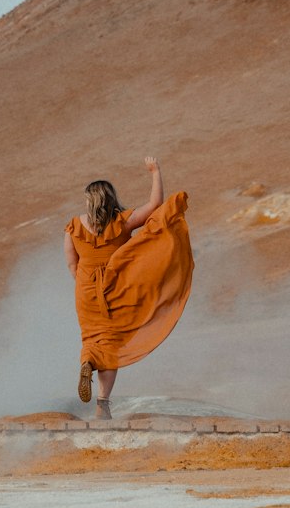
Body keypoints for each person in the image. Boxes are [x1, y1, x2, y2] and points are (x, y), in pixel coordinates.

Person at [63, 158, 194, 419]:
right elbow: (155, 205)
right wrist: (155, 172)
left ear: (89, 201)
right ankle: (102, 404)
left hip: (86, 291)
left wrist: (84, 284)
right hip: (116, 290)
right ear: (110, 199)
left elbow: (71, 262)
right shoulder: (122, 222)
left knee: (91, 337)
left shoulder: (74, 227)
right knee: (111, 345)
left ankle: (87, 362)